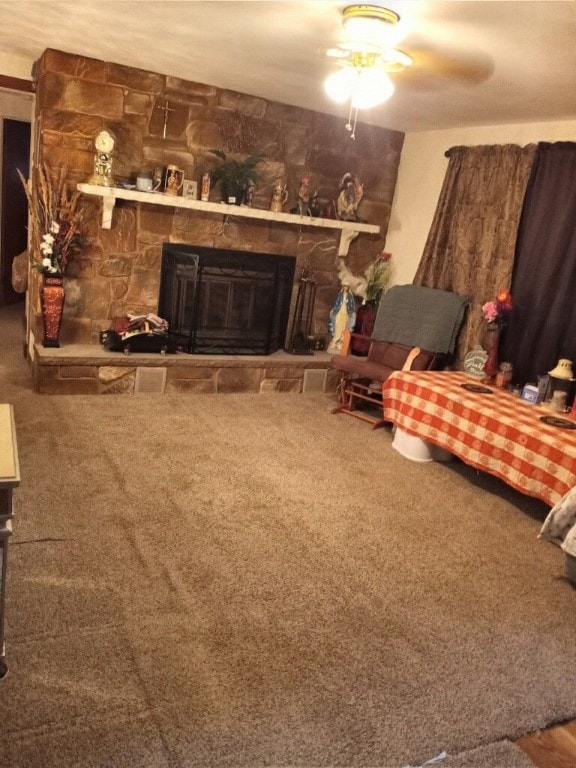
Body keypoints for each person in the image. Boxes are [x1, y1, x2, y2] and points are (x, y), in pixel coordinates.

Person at [327, 284, 356, 353]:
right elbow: (336, 303)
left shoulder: (350, 296)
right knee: (337, 325)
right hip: (339, 311)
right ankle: (336, 339)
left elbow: (352, 305)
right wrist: (335, 309)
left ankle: (341, 340)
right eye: (344, 286)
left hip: (346, 312)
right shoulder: (339, 295)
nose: (345, 288)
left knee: (344, 325)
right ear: (343, 287)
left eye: (347, 287)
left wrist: (351, 311)